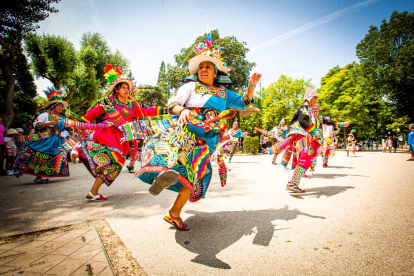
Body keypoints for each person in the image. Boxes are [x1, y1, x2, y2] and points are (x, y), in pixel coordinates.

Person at [135, 32, 261, 230]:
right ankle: (166, 176)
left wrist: (252, 86)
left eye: (208, 66)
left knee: (193, 179)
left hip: (208, 142)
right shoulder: (190, 86)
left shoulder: (224, 92)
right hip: (186, 133)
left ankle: (174, 212)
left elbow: (244, 103)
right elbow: (172, 103)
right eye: (200, 66)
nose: (203, 69)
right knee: (175, 157)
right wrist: (183, 110)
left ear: (215, 72)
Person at [273, 87, 349, 193]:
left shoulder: (311, 112)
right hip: (302, 137)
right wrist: (315, 132)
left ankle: (293, 182)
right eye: (315, 99)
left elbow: (327, 122)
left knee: (308, 159)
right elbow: (302, 121)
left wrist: (340, 124)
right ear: (309, 98)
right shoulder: (303, 108)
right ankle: (293, 183)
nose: (316, 101)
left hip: (308, 138)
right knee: (305, 158)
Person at [13, 88, 70, 183]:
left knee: (52, 157)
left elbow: (65, 128)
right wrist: (49, 123)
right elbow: (36, 124)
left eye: (61, 106)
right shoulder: (45, 115)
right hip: (46, 140)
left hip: (57, 141)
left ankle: (41, 176)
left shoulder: (62, 118)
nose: (61, 108)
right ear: (53, 106)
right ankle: (24, 170)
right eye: (59, 106)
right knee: (40, 156)